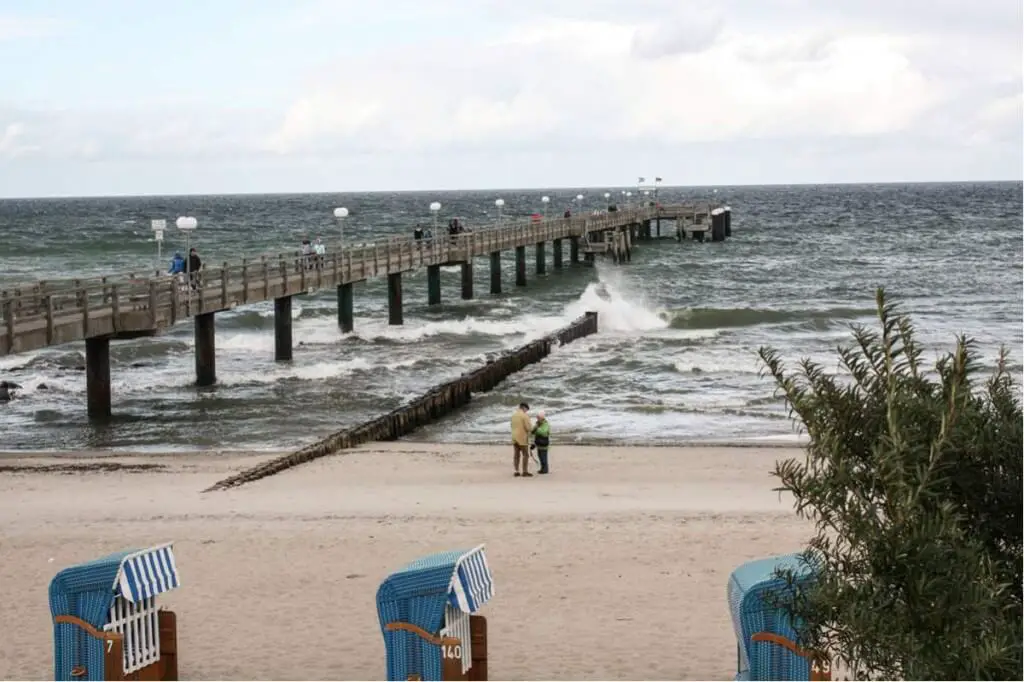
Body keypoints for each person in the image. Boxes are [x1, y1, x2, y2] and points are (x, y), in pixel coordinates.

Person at [510, 402, 533, 478]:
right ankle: (525, 471)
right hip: (522, 437)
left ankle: (516, 471)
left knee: (516, 455)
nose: (526, 411)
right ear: (524, 408)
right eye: (526, 409)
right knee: (525, 455)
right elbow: (528, 428)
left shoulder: (513, 415)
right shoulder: (525, 416)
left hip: (514, 437)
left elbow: (511, 426)